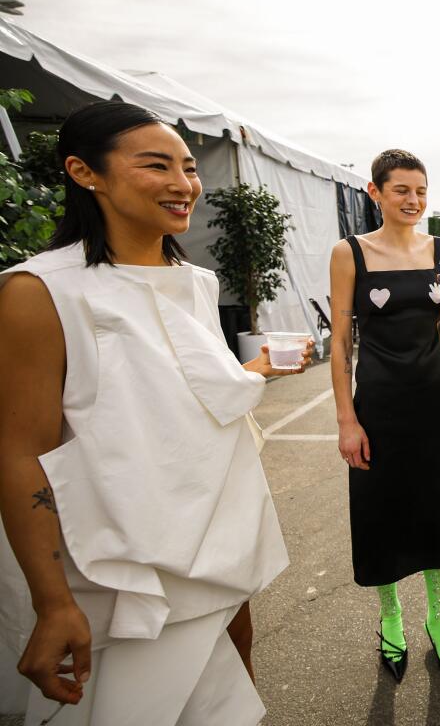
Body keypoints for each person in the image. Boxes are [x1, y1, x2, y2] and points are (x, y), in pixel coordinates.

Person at [0, 100, 312, 725]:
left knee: (231, 697)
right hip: (113, 567)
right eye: (156, 165)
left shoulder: (196, 282)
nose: (183, 183)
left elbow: (187, 391)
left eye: (190, 167)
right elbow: (19, 452)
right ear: (85, 173)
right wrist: (52, 600)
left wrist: (255, 371)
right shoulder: (40, 292)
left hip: (216, 545)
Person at [328, 149, 440, 687]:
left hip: (433, 399)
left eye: (421, 191)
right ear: (376, 193)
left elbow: (439, 334)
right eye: (401, 191)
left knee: (436, 507)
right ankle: (391, 619)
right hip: (378, 406)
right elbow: (342, 344)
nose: (413, 201)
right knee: (380, 512)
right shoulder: (350, 254)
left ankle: (438, 617)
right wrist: (347, 420)